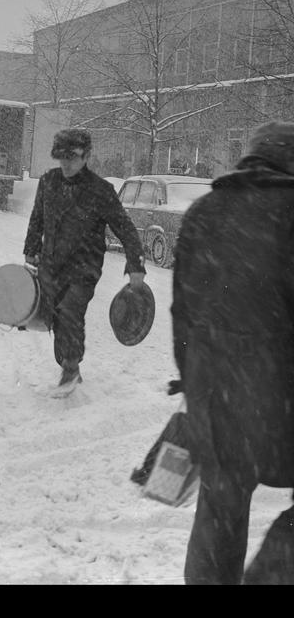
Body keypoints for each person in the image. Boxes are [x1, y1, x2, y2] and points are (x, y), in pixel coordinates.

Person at [170, 120, 294, 584]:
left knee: (220, 509)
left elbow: (182, 312)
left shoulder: (204, 212)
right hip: (281, 404)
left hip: (218, 403)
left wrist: (195, 382)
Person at [23, 128, 146, 394]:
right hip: (51, 264)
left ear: (86, 156)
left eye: (72, 158)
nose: (66, 164)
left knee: (70, 312)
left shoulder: (101, 190)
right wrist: (30, 250)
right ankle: (68, 361)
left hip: (84, 268)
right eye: (61, 158)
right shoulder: (48, 182)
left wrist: (136, 265)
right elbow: (37, 219)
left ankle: (70, 367)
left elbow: (125, 228)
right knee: (54, 315)